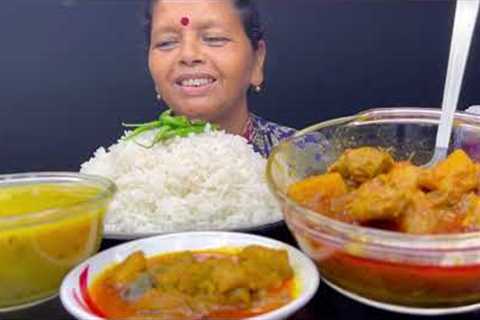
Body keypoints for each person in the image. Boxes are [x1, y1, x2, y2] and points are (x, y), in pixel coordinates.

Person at [144, 0, 295, 157]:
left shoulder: (303, 160)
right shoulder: (126, 167)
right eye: (166, 42)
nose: (188, 55)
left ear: (257, 60)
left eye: (213, 38)